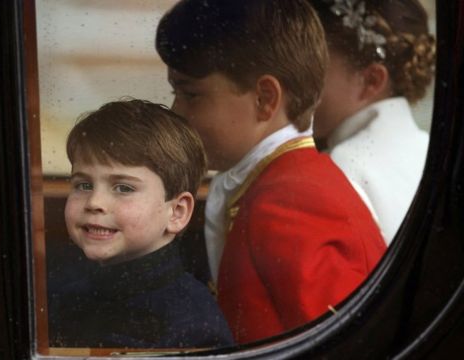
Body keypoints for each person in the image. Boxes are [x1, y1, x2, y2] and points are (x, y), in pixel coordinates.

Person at [155, 0, 387, 343]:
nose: (176, 112)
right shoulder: (275, 184)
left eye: (191, 94)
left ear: (265, 98)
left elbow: (339, 346)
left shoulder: (292, 203)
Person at [48, 99, 234, 349]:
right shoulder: (64, 297)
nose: (95, 202)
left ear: (176, 212)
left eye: (123, 188)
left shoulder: (191, 323)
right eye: (83, 185)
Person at [309, 0, 436, 244]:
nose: (299, 85)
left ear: (371, 81)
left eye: (315, 68)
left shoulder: (339, 170)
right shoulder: (428, 148)